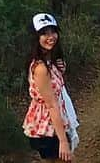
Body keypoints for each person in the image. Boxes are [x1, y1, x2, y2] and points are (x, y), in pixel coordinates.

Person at [23, 12, 78, 161]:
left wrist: (60, 68)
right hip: (49, 128)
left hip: (51, 125)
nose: (51, 37)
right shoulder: (41, 68)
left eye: (53, 31)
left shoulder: (50, 61)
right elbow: (52, 105)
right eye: (44, 33)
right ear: (36, 37)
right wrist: (63, 141)